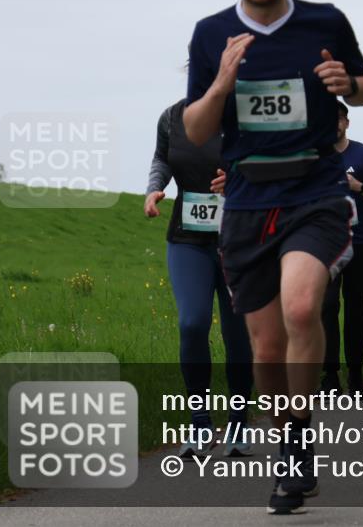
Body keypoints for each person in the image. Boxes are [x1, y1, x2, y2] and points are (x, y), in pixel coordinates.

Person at [182, 0, 363, 515]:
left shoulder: (324, 19)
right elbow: (194, 129)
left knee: (300, 306)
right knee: (265, 349)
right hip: (245, 200)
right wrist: (221, 83)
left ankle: (298, 441)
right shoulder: (211, 34)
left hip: (314, 189)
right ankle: (291, 445)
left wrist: (349, 83)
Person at [145, 99, 253, 458]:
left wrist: (239, 178)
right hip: (188, 239)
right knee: (192, 323)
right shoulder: (173, 117)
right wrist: (154, 188)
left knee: (237, 333)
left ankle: (238, 422)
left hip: (239, 239)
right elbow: (162, 158)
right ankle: (199, 423)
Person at [320, 102, 363, 397]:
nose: (332, 124)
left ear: (346, 123)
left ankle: (356, 374)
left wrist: (357, 186)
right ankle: (330, 375)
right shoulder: (313, 155)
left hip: (360, 242)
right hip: (324, 243)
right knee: (327, 306)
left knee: (356, 308)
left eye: (337, 119)